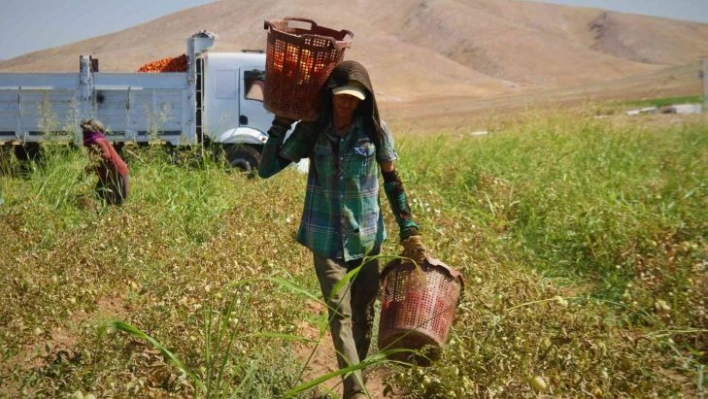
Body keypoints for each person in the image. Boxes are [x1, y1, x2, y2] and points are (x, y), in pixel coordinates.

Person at [258, 60, 428, 399]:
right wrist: (279, 127)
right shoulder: (311, 131)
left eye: (353, 99)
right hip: (325, 239)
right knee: (340, 315)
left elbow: (392, 181)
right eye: (341, 97)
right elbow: (267, 169)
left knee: (364, 314)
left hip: (366, 239)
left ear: (364, 100)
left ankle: (356, 376)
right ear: (330, 95)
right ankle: (356, 392)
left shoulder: (375, 132)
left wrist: (409, 229)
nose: (346, 104)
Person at [80, 119, 129, 205]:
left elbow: (106, 155)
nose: (84, 133)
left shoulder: (97, 140)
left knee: (113, 201)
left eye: (86, 130)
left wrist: (91, 166)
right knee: (100, 195)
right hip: (110, 173)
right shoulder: (95, 140)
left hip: (115, 173)